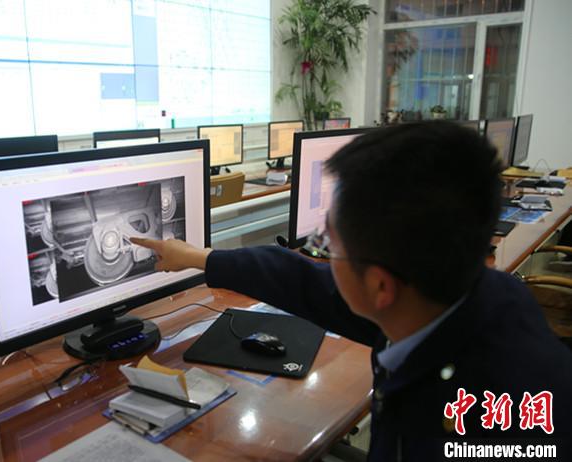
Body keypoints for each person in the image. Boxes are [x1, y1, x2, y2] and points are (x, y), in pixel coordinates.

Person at [133, 122, 572, 461]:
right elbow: (304, 281)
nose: (321, 256)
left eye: (329, 245)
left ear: (380, 286)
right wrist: (201, 257)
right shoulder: (475, 294)